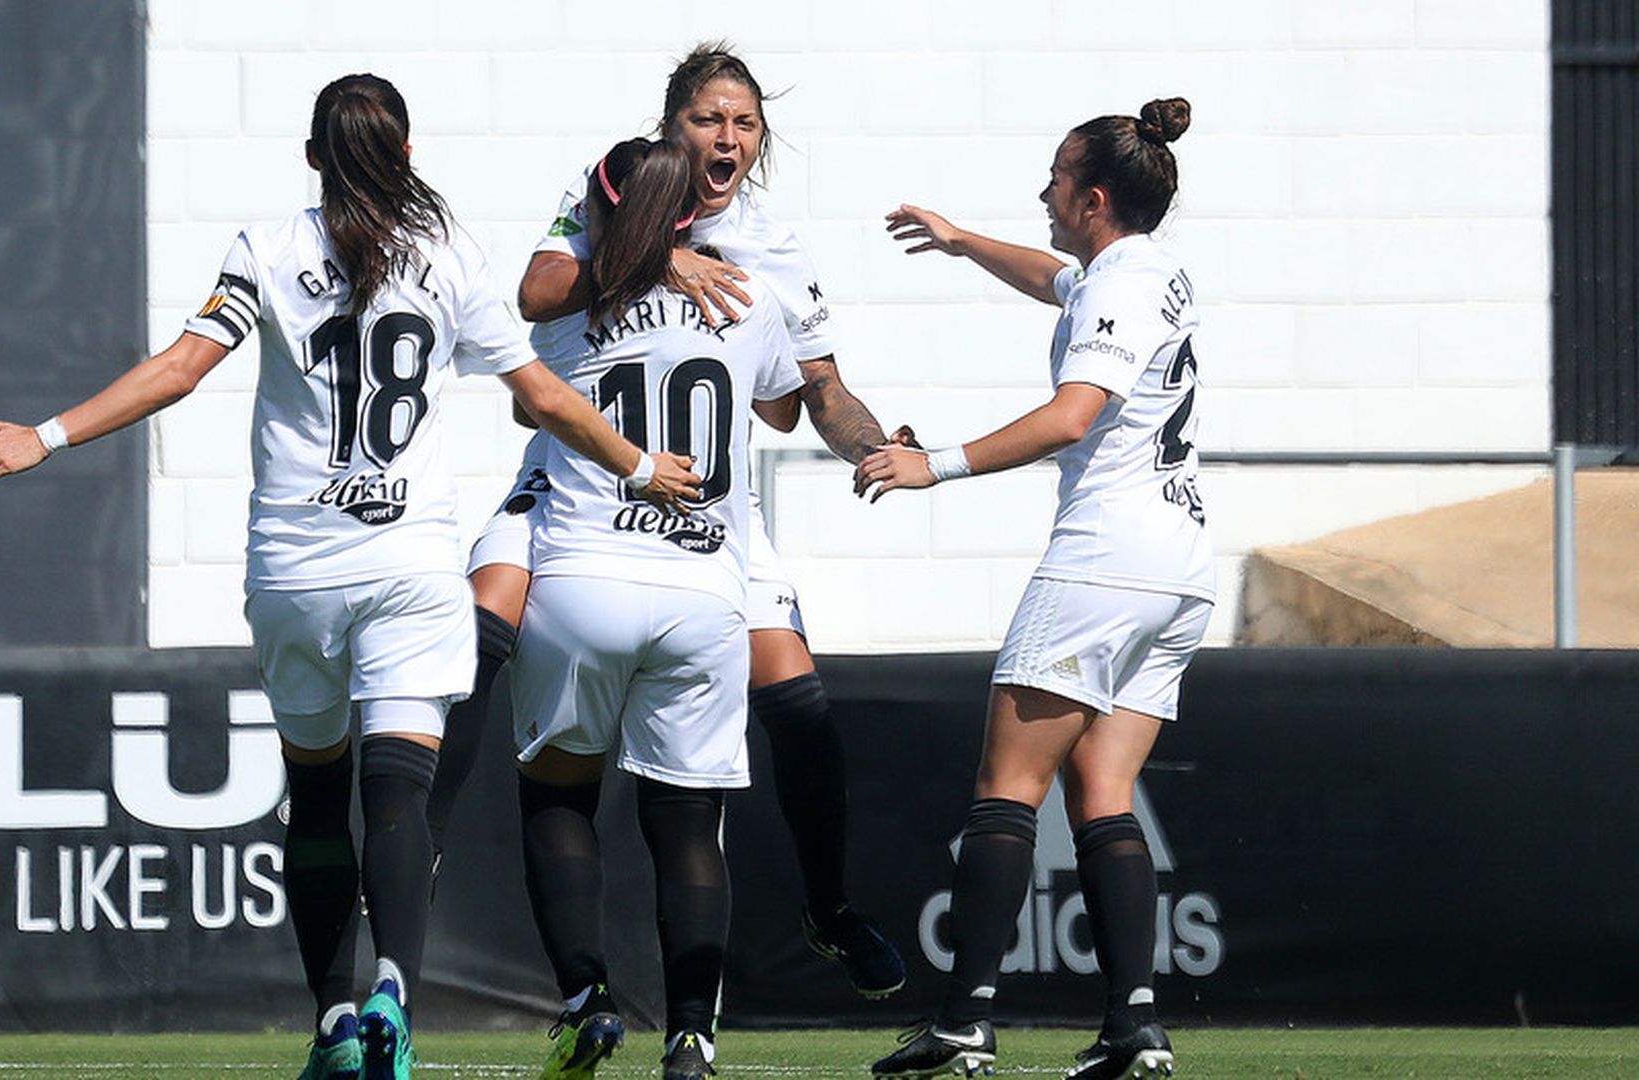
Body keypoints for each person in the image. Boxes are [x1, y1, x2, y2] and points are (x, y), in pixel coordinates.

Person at [0, 74, 697, 1080]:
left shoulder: (268, 247)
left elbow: (178, 369)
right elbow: (547, 396)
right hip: (411, 566)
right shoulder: (452, 256)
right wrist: (639, 462)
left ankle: (335, 1022)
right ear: (409, 155)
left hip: (294, 566)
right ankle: (394, 994)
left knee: (317, 792)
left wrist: (46, 435)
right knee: (398, 794)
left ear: (312, 158)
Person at [426, 41, 908, 1001]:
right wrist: (660, 252)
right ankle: (415, 848)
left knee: (801, 707)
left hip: (707, 506)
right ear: (669, 126)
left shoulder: (772, 248)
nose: (727, 139)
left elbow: (815, 391)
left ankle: (828, 908)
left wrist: (870, 450)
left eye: (745, 125)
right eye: (708, 120)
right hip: (579, 484)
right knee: (484, 620)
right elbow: (534, 294)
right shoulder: (611, 189)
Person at [858, 98, 1209, 1080]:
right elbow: (1060, 279)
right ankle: (1135, 1026)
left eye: (1056, 179)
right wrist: (966, 242)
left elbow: (1071, 416)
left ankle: (966, 1016)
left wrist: (941, 465)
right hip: (1181, 566)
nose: (1044, 193)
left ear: (1093, 197)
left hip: (1108, 557)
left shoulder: (1112, 291)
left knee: (1007, 786)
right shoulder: (1150, 273)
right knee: (1102, 788)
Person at [508, 133, 805, 1080]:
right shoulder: (748, 298)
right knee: (685, 827)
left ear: (602, 213)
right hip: (703, 591)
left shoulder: (575, 305)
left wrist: (623, 274)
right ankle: (691, 1035)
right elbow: (787, 410)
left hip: (584, 576)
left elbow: (533, 404)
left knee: (560, 798)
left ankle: (588, 999)